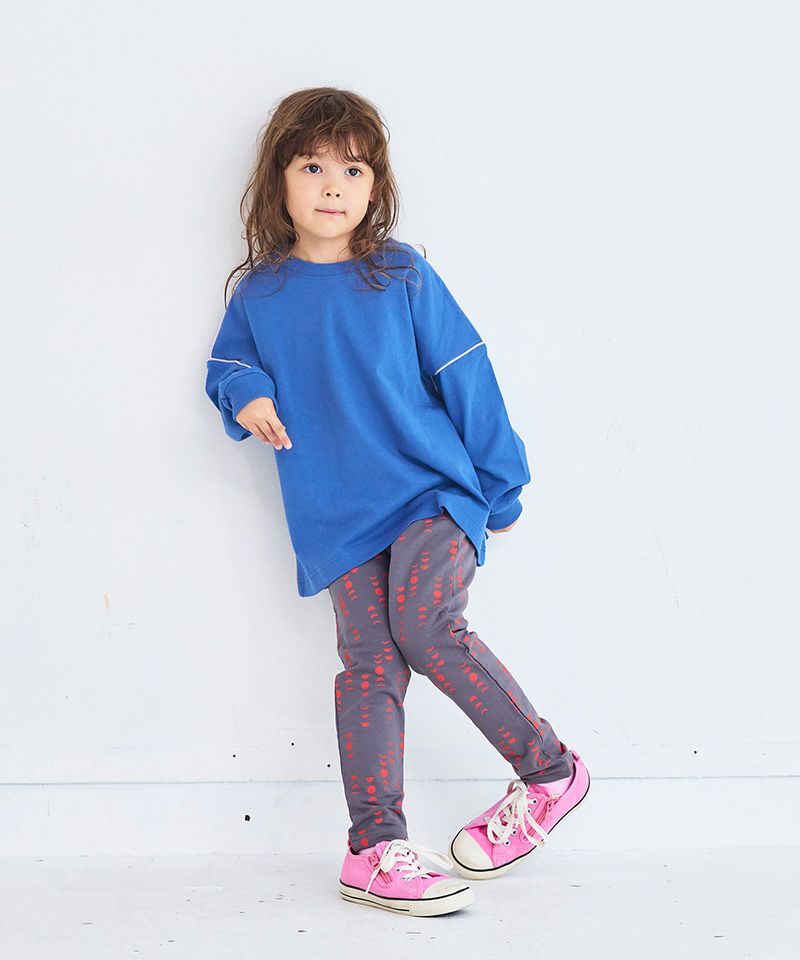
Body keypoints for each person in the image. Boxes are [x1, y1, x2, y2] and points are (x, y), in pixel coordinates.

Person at [205, 86, 591, 916]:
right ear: (278, 181)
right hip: (336, 521)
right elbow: (227, 364)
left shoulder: (401, 273)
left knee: (425, 626)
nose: (333, 185)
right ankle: (375, 849)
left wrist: (500, 485)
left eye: (353, 169)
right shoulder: (259, 294)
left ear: (375, 186)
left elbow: (465, 372)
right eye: (312, 167)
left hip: (429, 494)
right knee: (370, 665)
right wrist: (248, 393)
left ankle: (549, 771)